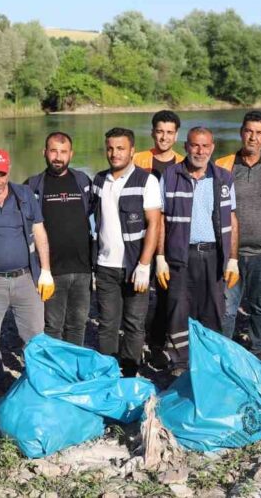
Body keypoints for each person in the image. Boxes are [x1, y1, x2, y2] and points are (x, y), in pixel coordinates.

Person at [156, 127, 239, 375]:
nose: (199, 151)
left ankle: (211, 361)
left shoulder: (224, 178)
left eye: (205, 146)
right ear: (186, 146)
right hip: (180, 255)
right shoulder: (170, 175)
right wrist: (159, 257)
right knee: (178, 308)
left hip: (214, 255)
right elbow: (160, 219)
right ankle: (180, 362)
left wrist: (233, 258)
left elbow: (232, 219)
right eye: (194, 145)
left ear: (212, 148)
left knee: (213, 309)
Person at [0, 149, 53, 396]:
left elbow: (39, 232)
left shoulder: (25, 195)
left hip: (26, 278)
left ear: (9, 171)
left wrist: (46, 270)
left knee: (35, 337)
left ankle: (38, 385)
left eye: (1, 174)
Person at [214, 110, 261, 364]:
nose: (253, 137)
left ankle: (259, 348)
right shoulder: (222, 165)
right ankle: (225, 350)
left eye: (258, 133)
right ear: (241, 132)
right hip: (228, 254)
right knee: (226, 307)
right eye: (248, 131)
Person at [94, 128, 162, 377]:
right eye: (110, 148)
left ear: (132, 150)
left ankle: (131, 372)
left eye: (120, 148)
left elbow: (154, 223)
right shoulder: (99, 181)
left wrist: (145, 264)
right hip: (105, 265)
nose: (114, 153)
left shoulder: (147, 180)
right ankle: (108, 373)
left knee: (134, 323)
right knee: (107, 324)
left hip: (135, 266)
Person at [25, 132, 94, 346]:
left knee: (78, 325)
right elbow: (6, 200)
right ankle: (54, 372)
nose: (58, 157)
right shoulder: (33, 185)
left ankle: (74, 369)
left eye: (63, 152)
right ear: (44, 152)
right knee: (52, 326)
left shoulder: (82, 181)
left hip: (82, 269)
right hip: (50, 271)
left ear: (71, 154)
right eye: (53, 151)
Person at [134, 110, 184, 365]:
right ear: (152, 132)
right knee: (137, 291)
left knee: (167, 293)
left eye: (169, 132)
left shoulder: (184, 163)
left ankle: (158, 342)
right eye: (159, 131)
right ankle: (134, 340)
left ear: (176, 135)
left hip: (172, 238)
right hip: (140, 236)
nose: (164, 137)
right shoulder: (138, 159)